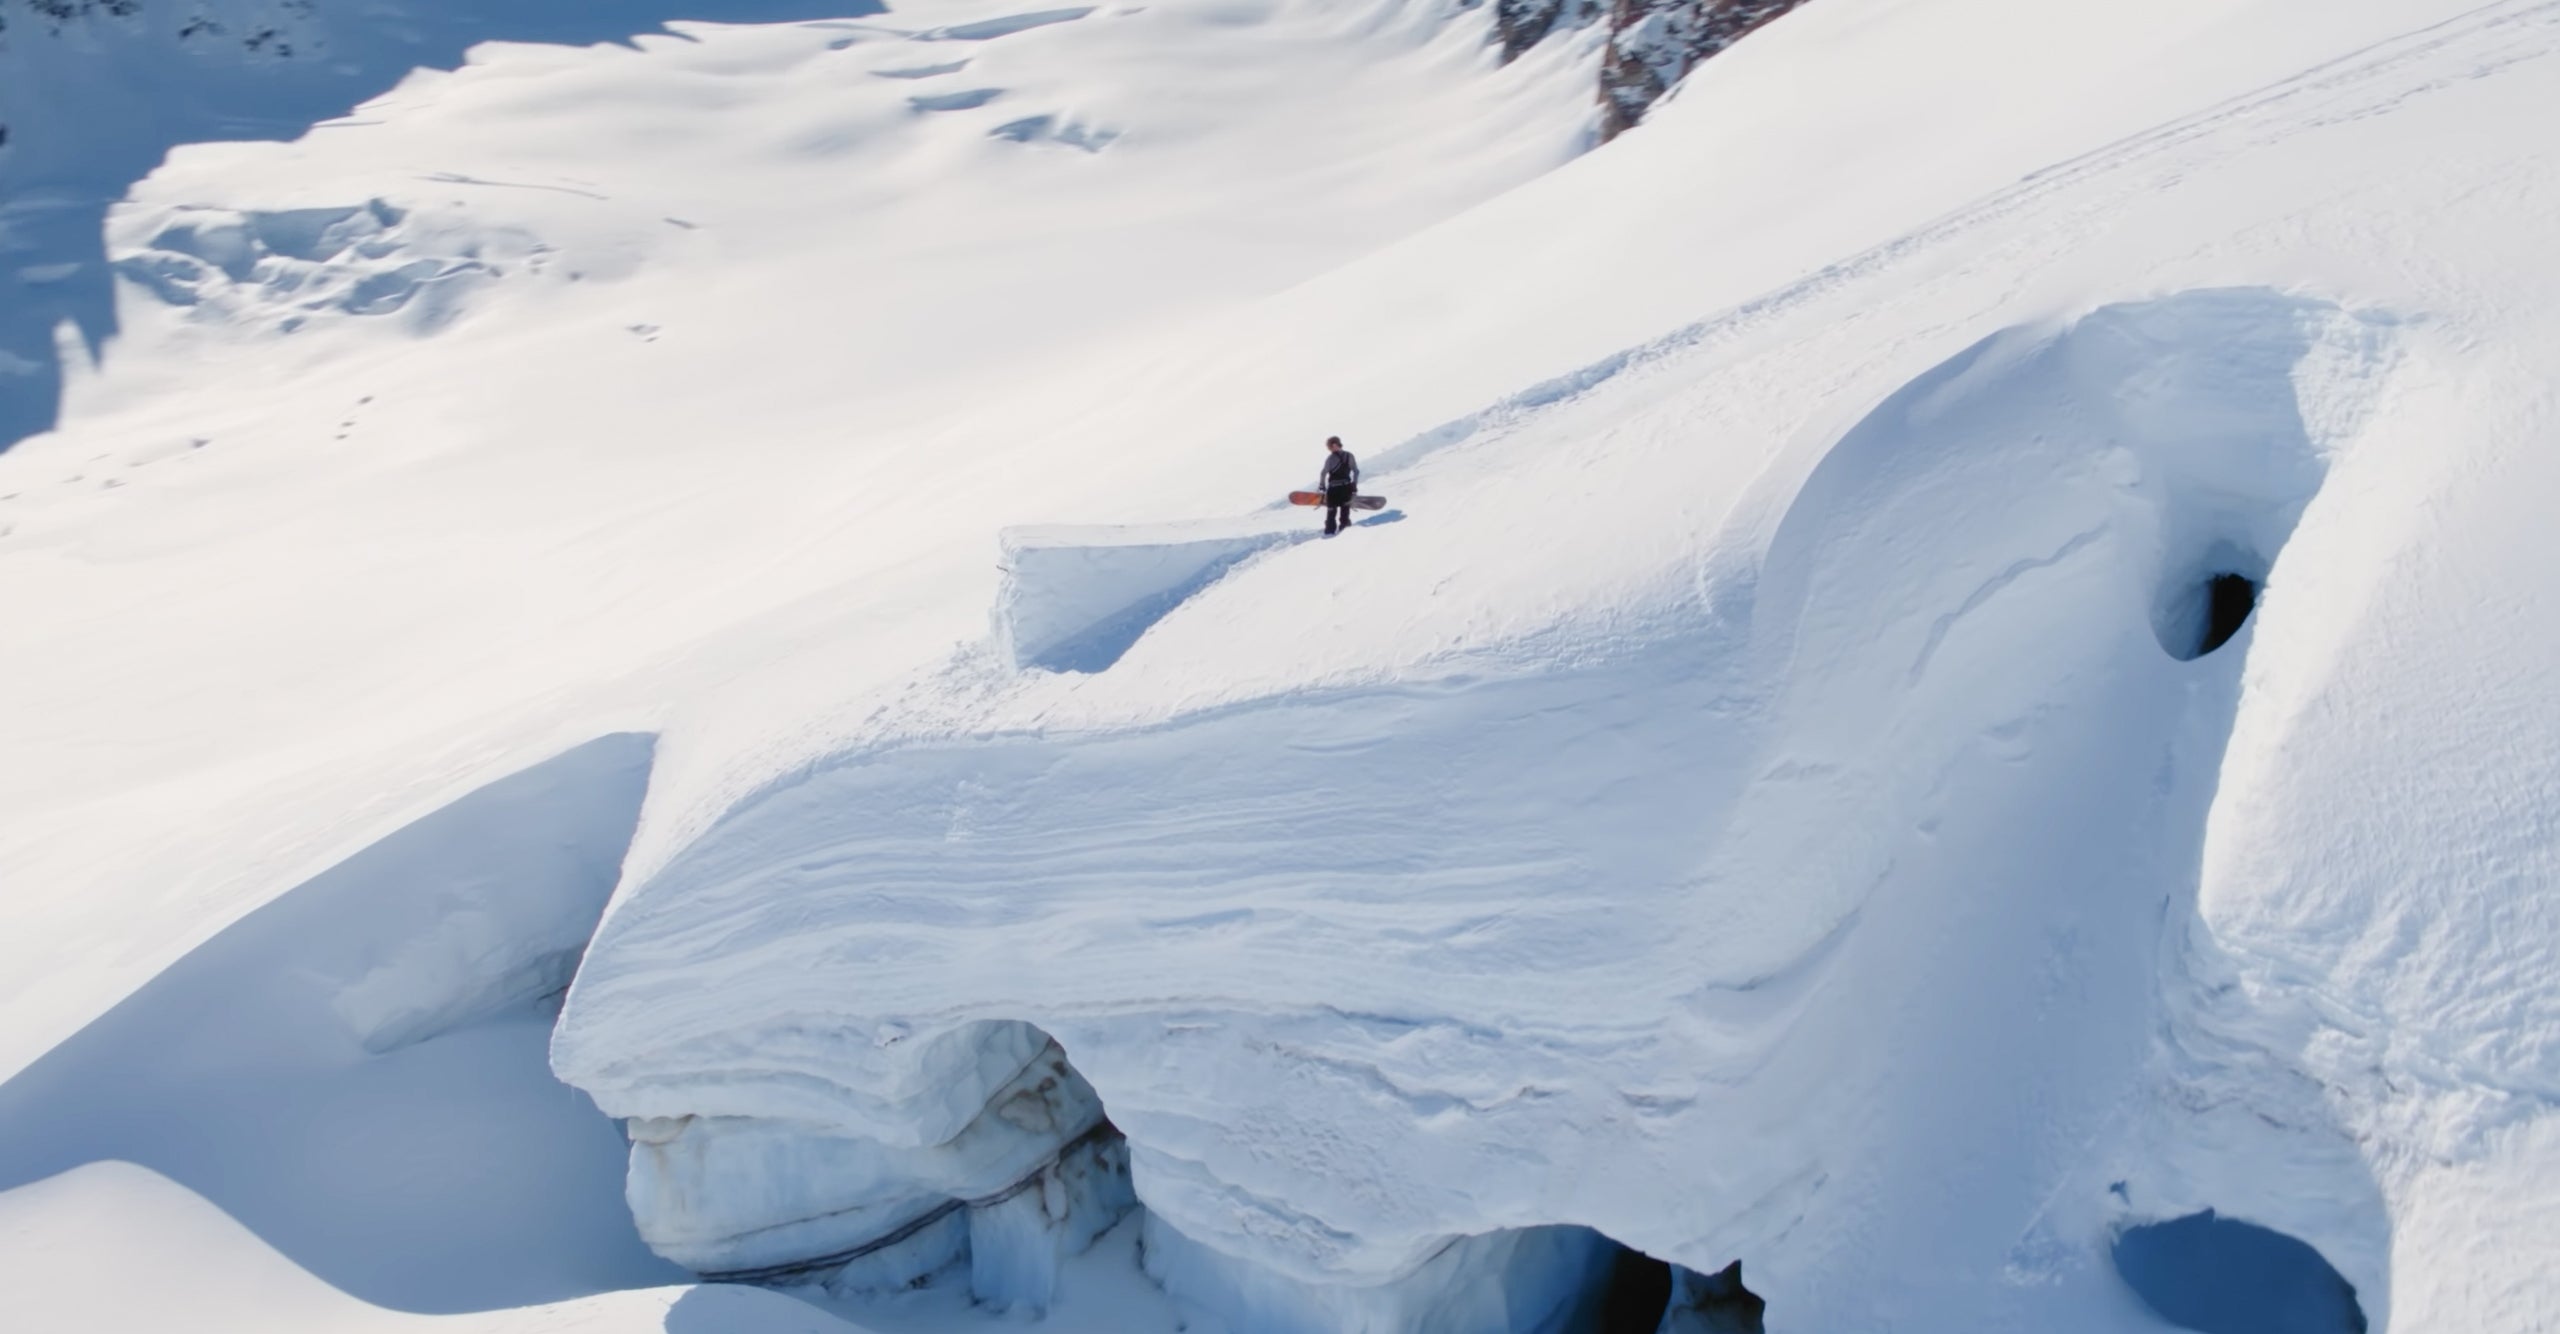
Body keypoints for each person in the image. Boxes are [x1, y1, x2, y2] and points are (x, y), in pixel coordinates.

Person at [1318, 436, 1359, 535]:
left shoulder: (1330, 458)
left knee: (1331, 512)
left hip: (1334, 490)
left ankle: (1330, 532)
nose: (1329, 449)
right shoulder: (1349, 456)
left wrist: (1322, 487)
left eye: (1329, 447)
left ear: (1334, 445)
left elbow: (1323, 473)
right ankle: (1344, 530)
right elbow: (1356, 471)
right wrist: (1354, 485)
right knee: (1344, 512)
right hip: (1346, 488)